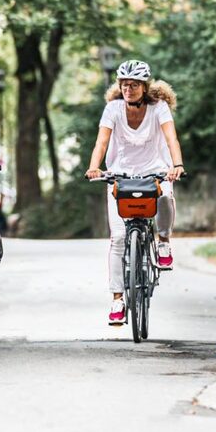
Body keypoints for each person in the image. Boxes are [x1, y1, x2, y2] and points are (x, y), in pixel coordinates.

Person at [85, 59, 185, 326]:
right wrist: (94, 167)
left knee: (166, 195)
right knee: (118, 238)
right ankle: (117, 300)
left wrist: (176, 165)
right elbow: (102, 141)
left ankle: (163, 241)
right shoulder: (113, 109)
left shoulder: (159, 108)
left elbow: (171, 138)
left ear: (144, 87)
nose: (128, 89)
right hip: (121, 176)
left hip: (156, 172)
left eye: (134, 85)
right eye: (124, 85)